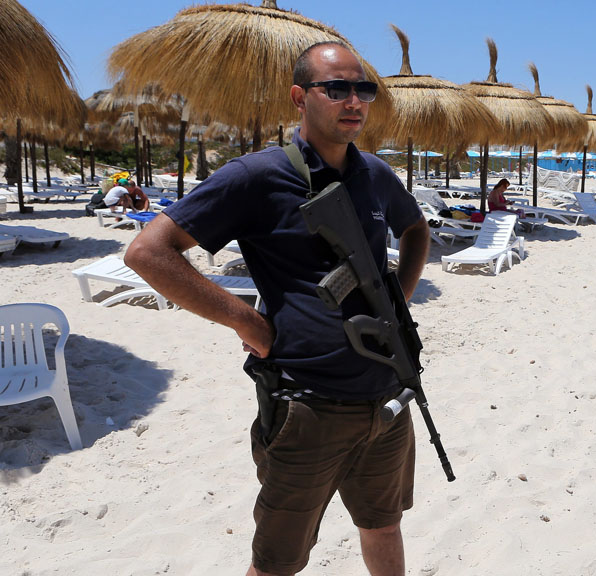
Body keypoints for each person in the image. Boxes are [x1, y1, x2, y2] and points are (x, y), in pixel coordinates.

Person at [125, 41, 430, 576]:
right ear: (299, 96)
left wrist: (400, 299)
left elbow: (416, 229)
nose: (353, 101)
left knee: (383, 525)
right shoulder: (257, 176)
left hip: (388, 396)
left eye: (363, 90)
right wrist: (245, 320)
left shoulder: (376, 174)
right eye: (336, 89)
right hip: (308, 407)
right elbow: (148, 252)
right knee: (278, 561)